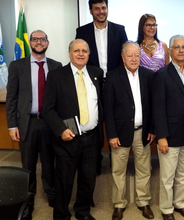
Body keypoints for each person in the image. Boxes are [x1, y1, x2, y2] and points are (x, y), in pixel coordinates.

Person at [43, 39, 104, 220]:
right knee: (64, 180)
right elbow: (48, 109)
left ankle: (82, 212)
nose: (80, 54)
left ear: (89, 53)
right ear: (69, 53)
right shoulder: (56, 76)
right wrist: (61, 129)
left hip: (91, 138)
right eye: (76, 50)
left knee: (88, 179)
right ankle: (61, 215)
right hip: (67, 138)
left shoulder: (96, 73)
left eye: (84, 51)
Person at [6, 30, 62, 218]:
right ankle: (27, 200)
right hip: (26, 123)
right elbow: (12, 98)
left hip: (49, 123)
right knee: (27, 165)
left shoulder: (56, 66)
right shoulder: (17, 66)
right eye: (35, 39)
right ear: (30, 42)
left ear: (47, 42)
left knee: (49, 163)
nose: (39, 42)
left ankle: (52, 195)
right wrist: (12, 126)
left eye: (42, 39)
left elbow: (61, 98)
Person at [104, 41, 155, 220]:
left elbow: (153, 106)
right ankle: (119, 204)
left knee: (144, 169)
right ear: (123, 57)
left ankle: (143, 202)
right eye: (130, 55)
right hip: (120, 133)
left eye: (137, 55)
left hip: (143, 132)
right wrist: (111, 134)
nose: (134, 59)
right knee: (118, 170)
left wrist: (152, 129)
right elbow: (108, 109)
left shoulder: (149, 76)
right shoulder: (112, 77)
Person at [75, 0, 127, 174]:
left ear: (107, 9)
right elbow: (80, 57)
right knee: (95, 123)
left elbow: (124, 57)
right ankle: (94, 163)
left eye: (103, 8)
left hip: (115, 83)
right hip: (92, 83)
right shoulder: (81, 31)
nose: (101, 11)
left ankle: (115, 163)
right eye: (96, 9)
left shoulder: (119, 30)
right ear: (90, 11)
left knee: (116, 121)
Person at [152, 35, 184, 220]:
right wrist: (161, 136)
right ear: (170, 51)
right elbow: (158, 108)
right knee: (167, 176)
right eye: (176, 47)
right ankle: (166, 209)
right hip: (169, 135)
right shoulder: (162, 75)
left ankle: (180, 203)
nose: (180, 50)